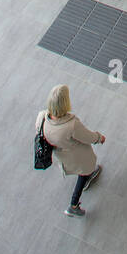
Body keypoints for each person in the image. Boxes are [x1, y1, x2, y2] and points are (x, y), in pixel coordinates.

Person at [36, 84, 105, 218]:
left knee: (80, 169)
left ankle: (87, 176)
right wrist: (99, 138)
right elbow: (87, 137)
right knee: (84, 171)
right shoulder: (71, 125)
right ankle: (73, 205)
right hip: (77, 156)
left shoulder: (42, 117)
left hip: (61, 155)